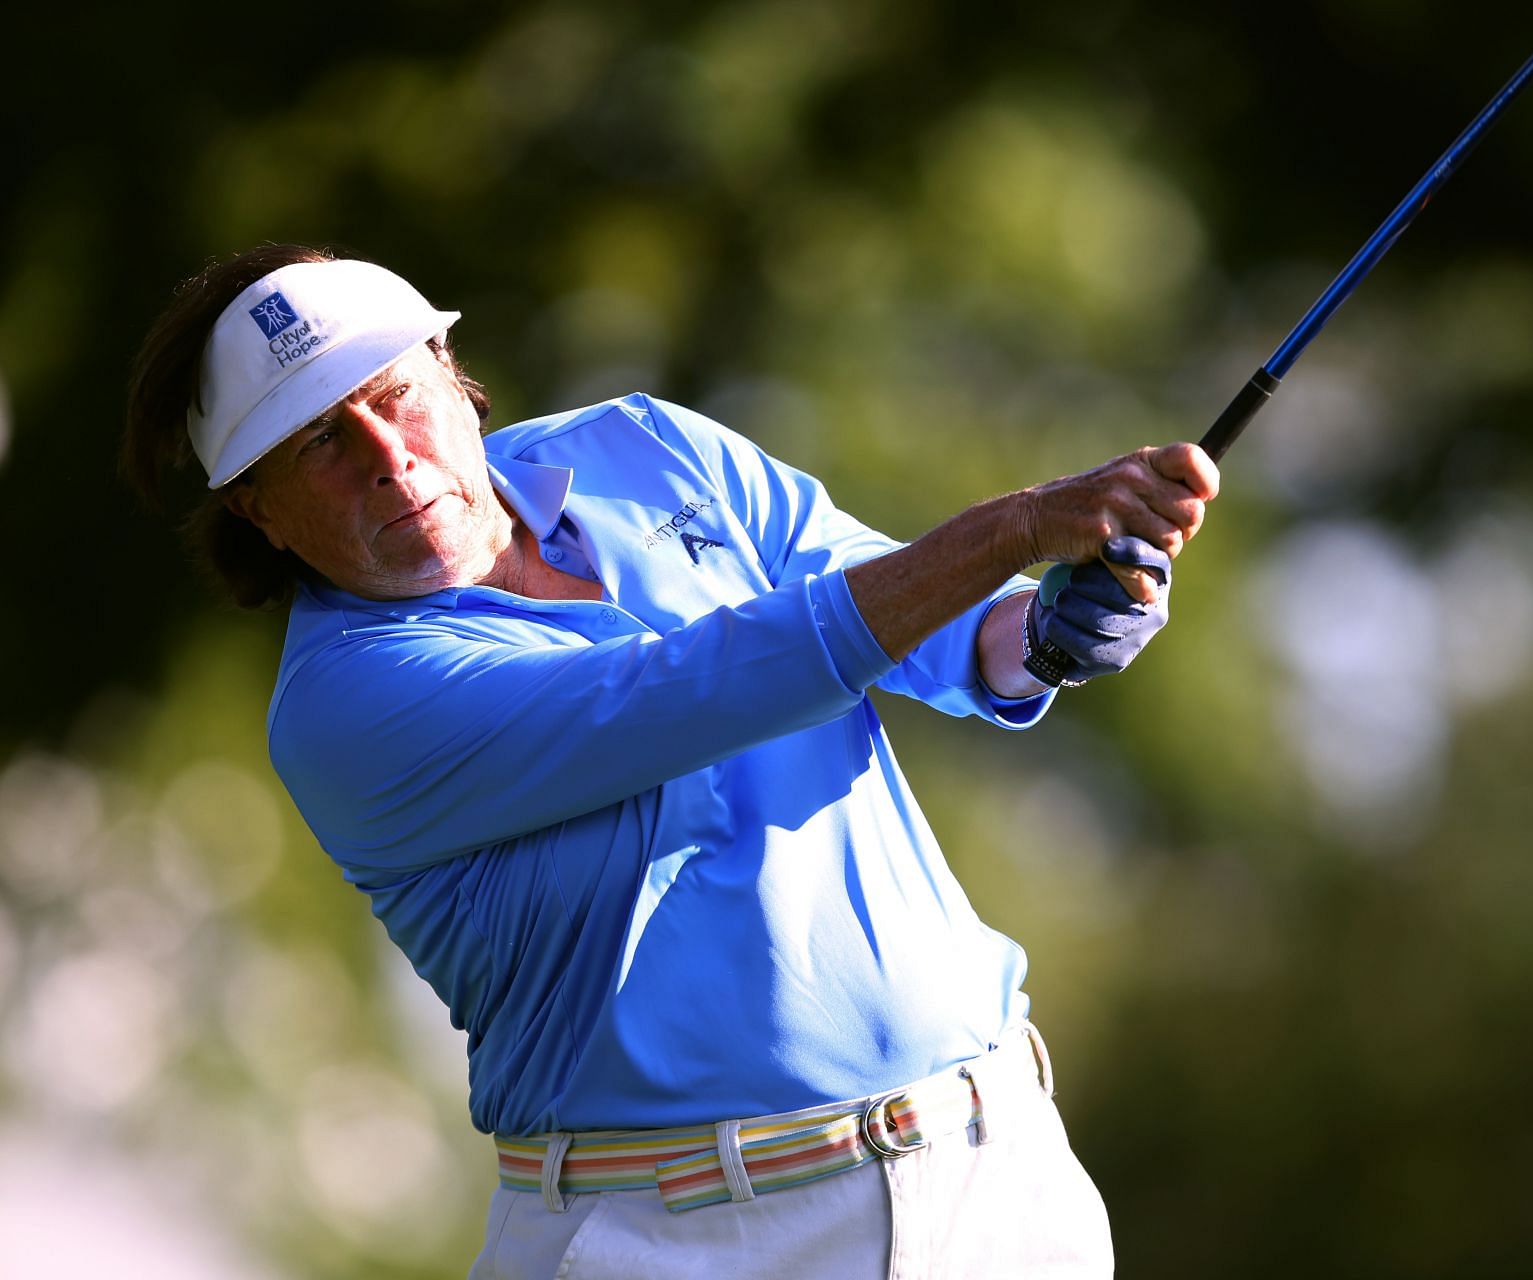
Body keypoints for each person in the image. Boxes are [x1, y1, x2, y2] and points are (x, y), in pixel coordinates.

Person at [123, 244, 1217, 1279]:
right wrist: (1020, 526)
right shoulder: (347, 705)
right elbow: (706, 686)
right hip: (682, 1235)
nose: (386, 456)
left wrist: (1037, 630)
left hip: (997, 1179)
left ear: (456, 379)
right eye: (319, 440)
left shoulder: (641, 447)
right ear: (256, 510)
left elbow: (905, 607)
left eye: (396, 391)